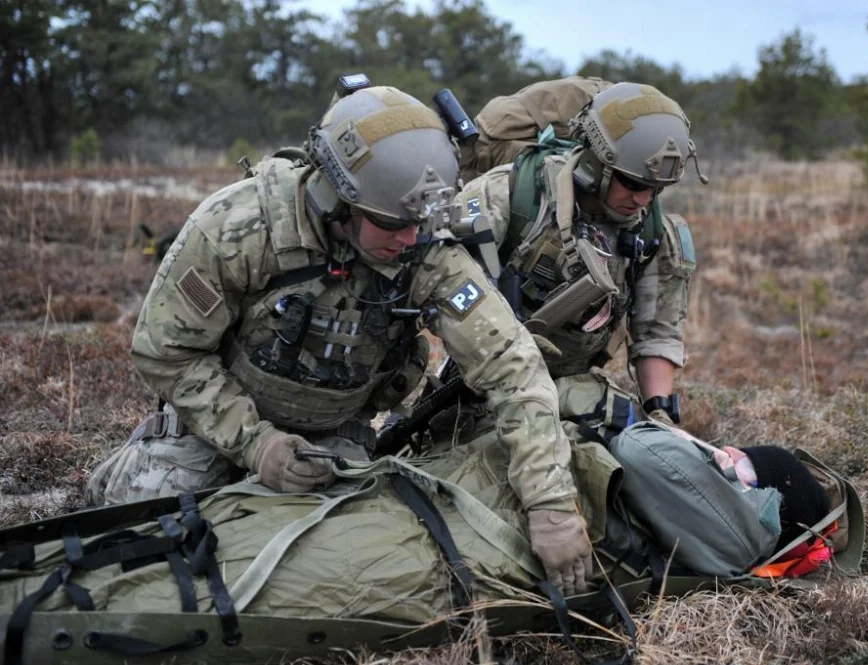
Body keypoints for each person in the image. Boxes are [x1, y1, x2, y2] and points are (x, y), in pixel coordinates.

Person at [84, 80, 592, 596]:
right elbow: (166, 352)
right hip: (213, 427)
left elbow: (513, 367)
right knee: (138, 538)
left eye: (420, 222)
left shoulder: (425, 247)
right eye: (392, 224)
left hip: (334, 440)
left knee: (331, 565)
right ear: (337, 199)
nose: (410, 239)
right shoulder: (239, 229)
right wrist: (257, 446)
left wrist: (550, 505)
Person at [453, 82, 706, 426]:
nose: (643, 200)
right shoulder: (510, 194)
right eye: (631, 183)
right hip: (478, 386)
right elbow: (443, 288)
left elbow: (657, 333)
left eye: (656, 189)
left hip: (574, 391)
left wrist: (658, 412)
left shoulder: (653, 233)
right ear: (595, 163)